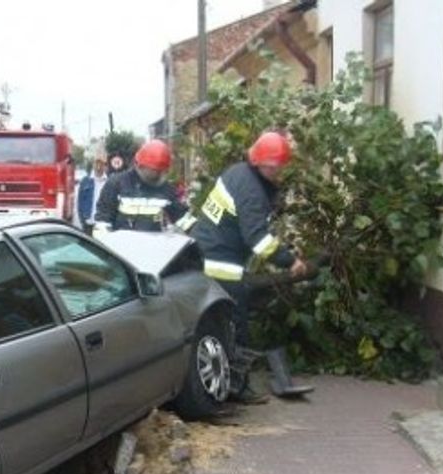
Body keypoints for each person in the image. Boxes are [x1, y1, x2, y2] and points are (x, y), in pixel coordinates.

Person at [182, 131, 308, 403]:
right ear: (264, 164)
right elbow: (258, 240)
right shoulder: (252, 191)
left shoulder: (237, 173)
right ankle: (236, 389)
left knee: (220, 324)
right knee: (235, 324)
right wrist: (291, 261)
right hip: (221, 264)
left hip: (207, 253)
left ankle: (224, 383)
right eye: (276, 167)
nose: (279, 172)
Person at [92, 140, 186, 236]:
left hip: (154, 248)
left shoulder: (166, 189)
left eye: (161, 172)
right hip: (120, 248)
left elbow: (183, 219)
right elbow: (102, 223)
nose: (158, 176)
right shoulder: (116, 184)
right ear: (139, 166)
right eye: (154, 172)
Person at [75, 157, 108, 234]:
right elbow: (80, 202)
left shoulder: (109, 181)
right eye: (96, 163)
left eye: (101, 164)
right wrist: (83, 220)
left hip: (102, 223)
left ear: (105, 166)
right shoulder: (85, 181)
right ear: (93, 165)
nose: (98, 167)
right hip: (88, 222)